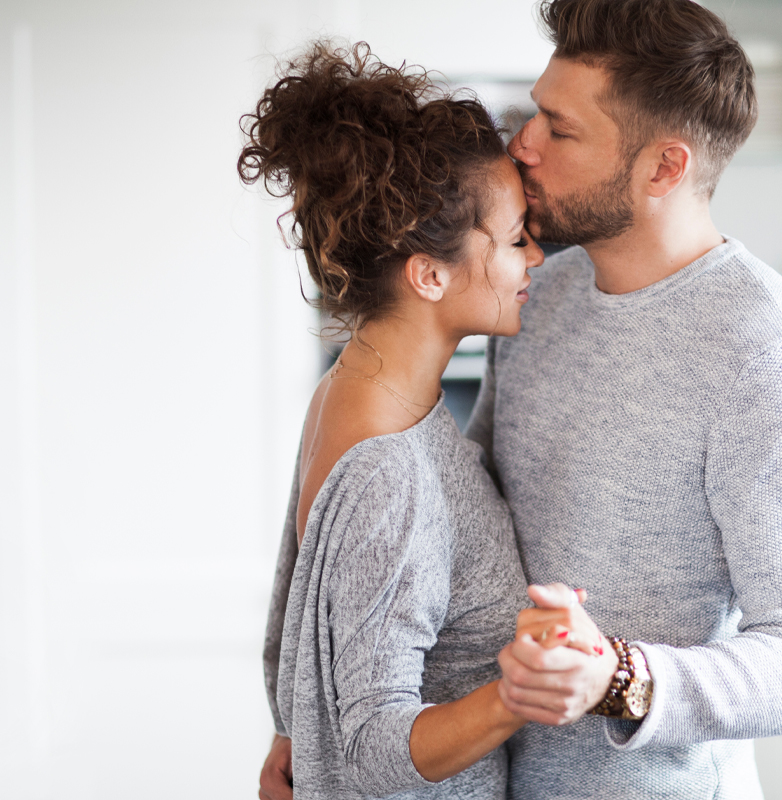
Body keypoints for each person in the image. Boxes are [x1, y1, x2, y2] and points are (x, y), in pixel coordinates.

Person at [471, 1, 782, 798]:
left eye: (559, 128)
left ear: (663, 168)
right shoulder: (541, 291)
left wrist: (617, 677)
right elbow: (470, 501)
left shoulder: (765, 356)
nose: (524, 146)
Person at [244, 42, 605, 800]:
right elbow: (377, 748)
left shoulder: (351, 392)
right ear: (429, 274)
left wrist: (292, 735)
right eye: (513, 241)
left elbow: (297, 623)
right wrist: (518, 691)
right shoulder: (388, 468)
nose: (536, 257)